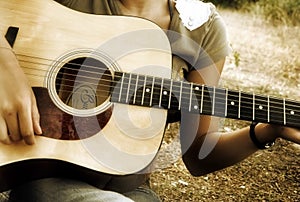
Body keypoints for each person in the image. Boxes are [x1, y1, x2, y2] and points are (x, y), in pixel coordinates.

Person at [0, 0, 299, 201]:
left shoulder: (201, 26)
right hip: (44, 175)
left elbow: (199, 156)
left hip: (130, 190)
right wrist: (5, 63)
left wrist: (267, 131)